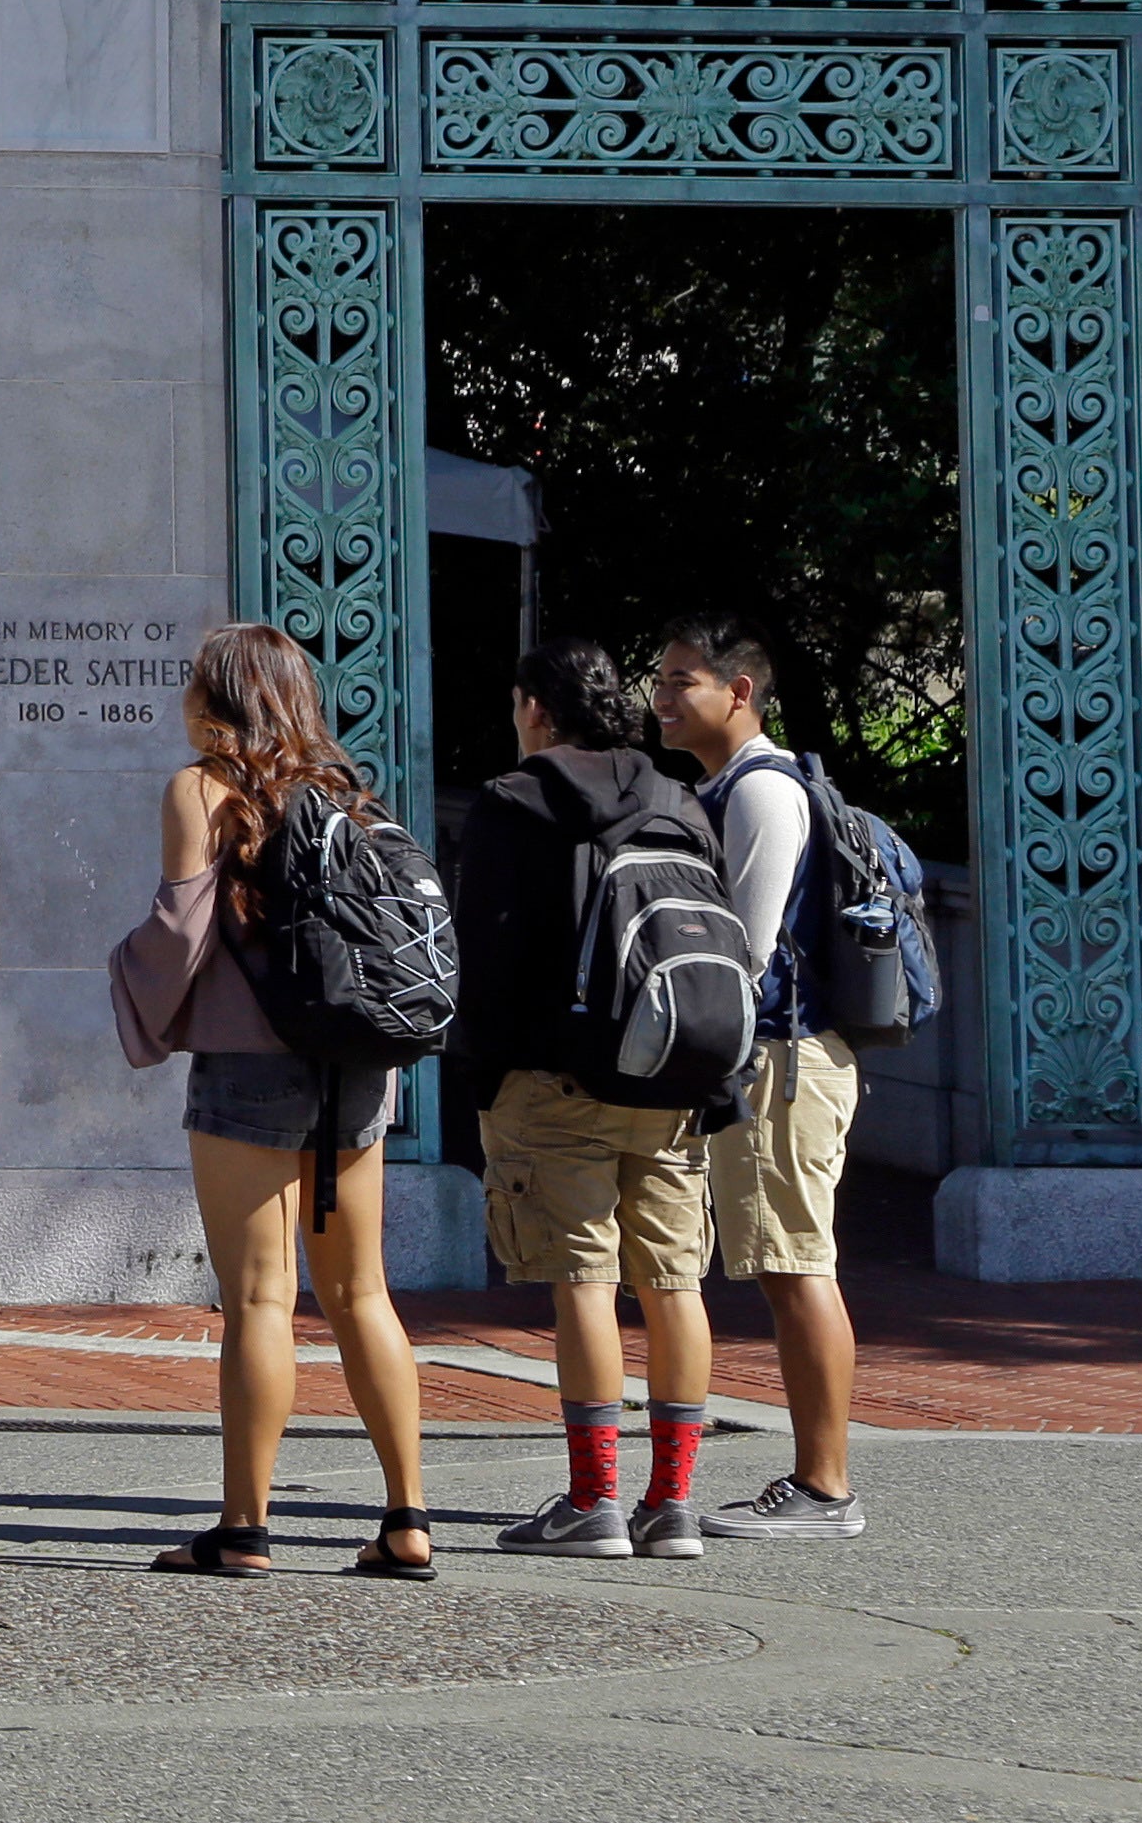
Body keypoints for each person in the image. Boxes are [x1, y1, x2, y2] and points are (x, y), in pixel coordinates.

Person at [107, 623, 438, 1580]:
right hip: (351, 1064)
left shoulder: (201, 788)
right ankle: (407, 1517)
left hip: (247, 1065)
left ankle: (244, 1527)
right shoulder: (346, 796)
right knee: (360, 1289)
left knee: (257, 1295)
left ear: (218, 704)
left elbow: (177, 932)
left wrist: (122, 979)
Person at [460, 637, 734, 1559]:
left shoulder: (514, 800)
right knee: (672, 1281)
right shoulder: (678, 799)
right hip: (667, 1076)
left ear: (535, 707)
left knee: (582, 1280)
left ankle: (593, 1500)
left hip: (553, 1081)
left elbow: (487, 960)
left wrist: (481, 1076)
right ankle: (674, 1504)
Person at [657, 616, 868, 1541]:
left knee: (794, 1261)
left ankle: (825, 1487)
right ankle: (818, 1481)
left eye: (679, 681)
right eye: (656, 680)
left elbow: (744, 946)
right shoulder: (726, 785)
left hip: (783, 1054)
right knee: (785, 1262)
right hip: (774, 1052)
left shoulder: (760, 791)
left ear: (738, 690)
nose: (660, 698)